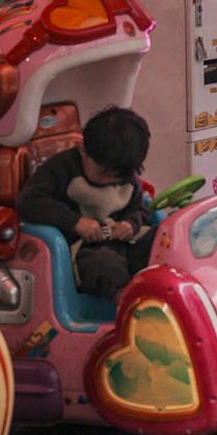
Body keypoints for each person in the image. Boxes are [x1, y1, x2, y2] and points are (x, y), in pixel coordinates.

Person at [14, 107, 154, 302]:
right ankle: (131, 307)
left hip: (122, 245)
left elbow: (140, 208)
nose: (108, 181)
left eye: (117, 176)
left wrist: (131, 224)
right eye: (102, 173)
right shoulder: (62, 167)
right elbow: (28, 201)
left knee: (163, 239)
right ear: (83, 150)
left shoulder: (127, 175)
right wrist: (75, 222)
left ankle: (162, 294)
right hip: (79, 251)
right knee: (105, 265)